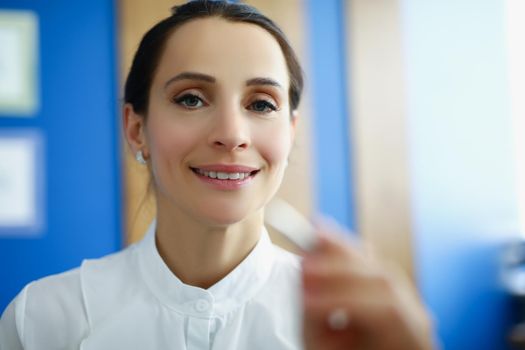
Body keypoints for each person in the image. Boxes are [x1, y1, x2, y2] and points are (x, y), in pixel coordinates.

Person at [0, 1, 435, 349]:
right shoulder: (40, 320)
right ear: (137, 129)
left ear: (290, 131)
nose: (231, 135)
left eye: (261, 104)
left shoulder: (353, 327)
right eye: (191, 99)